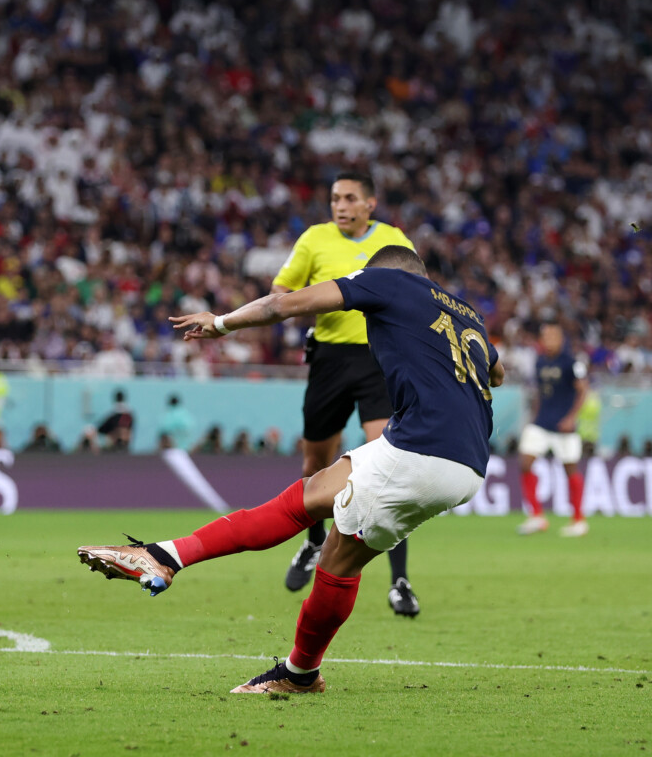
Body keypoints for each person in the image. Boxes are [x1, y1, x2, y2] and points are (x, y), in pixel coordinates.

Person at [78, 246, 503, 694]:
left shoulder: (387, 281)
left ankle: (299, 674)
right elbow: (497, 372)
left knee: (339, 557)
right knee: (309, 495)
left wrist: (220, 323)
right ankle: (166, 555)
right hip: (466, 458)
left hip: (422, 449)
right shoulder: (464, 311)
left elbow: (283, 304)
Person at [271, 171, 421, 616]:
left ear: (370, 204)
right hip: (330, 361)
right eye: (335, 197)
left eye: (350, 198)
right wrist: (306, 303)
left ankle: (400, 581)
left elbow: (416, 296)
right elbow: (281, 291)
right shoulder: (314, 239)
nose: (340, 205)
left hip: (378, 360)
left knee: (390, 462)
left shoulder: (394, 241)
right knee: (315, 460)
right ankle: (314, 542)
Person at [516, 323, 590, 537]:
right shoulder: (540, 362)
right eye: (545, 335)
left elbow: (583, 390)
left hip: (564, 426)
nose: (548, 339)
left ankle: (578, 520)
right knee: (525, 463)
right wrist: (533, 417)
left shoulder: (572, 363)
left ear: (561, 339)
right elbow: (541, 393)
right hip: (541, 423)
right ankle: (537, 516)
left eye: (552, 336)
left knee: (570, 470)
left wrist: (571, 418)